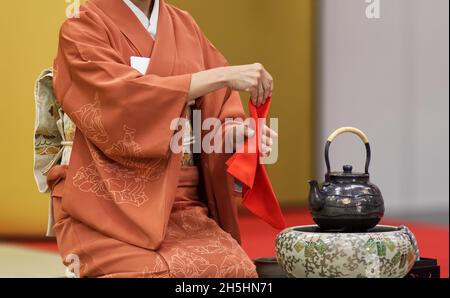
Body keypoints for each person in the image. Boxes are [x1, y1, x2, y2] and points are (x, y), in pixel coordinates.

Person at [48, 0, 276, 278]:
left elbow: (216, 111)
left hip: (182, 204)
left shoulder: (184, 25)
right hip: (106, 203)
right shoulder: (83, 26)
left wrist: (234, 136)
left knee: (236, 271)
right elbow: (122, 101)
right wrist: (219, 76)